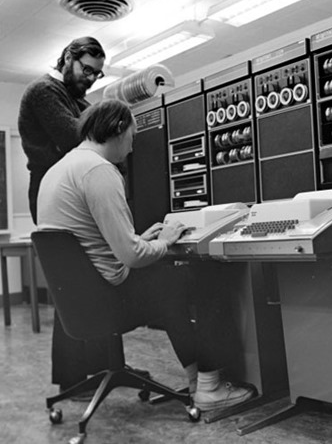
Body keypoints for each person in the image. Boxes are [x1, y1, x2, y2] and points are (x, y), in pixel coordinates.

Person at [36, 99, 254, 411]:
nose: (131, 148)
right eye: (133, 137)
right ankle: (211, 387)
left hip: (84, 302)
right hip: (112, 297)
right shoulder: (99, 171)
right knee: (208, 274)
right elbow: (133, 257)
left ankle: (197, 382)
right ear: (118, 129)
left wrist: (141, 239)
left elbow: (91, 243)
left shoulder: (60, 170)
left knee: (169, 283)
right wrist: (163, 242)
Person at [17, 37, 109, 394]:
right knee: (71, 286)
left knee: (95, 278)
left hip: (73, 193)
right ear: (68, 58)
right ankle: (72, 378)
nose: (90, 79)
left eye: (97, 75)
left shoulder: (76, 99)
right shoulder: (44, 91)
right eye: (86, 69)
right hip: (52, 193)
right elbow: (75, 137)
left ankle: (100, 367)